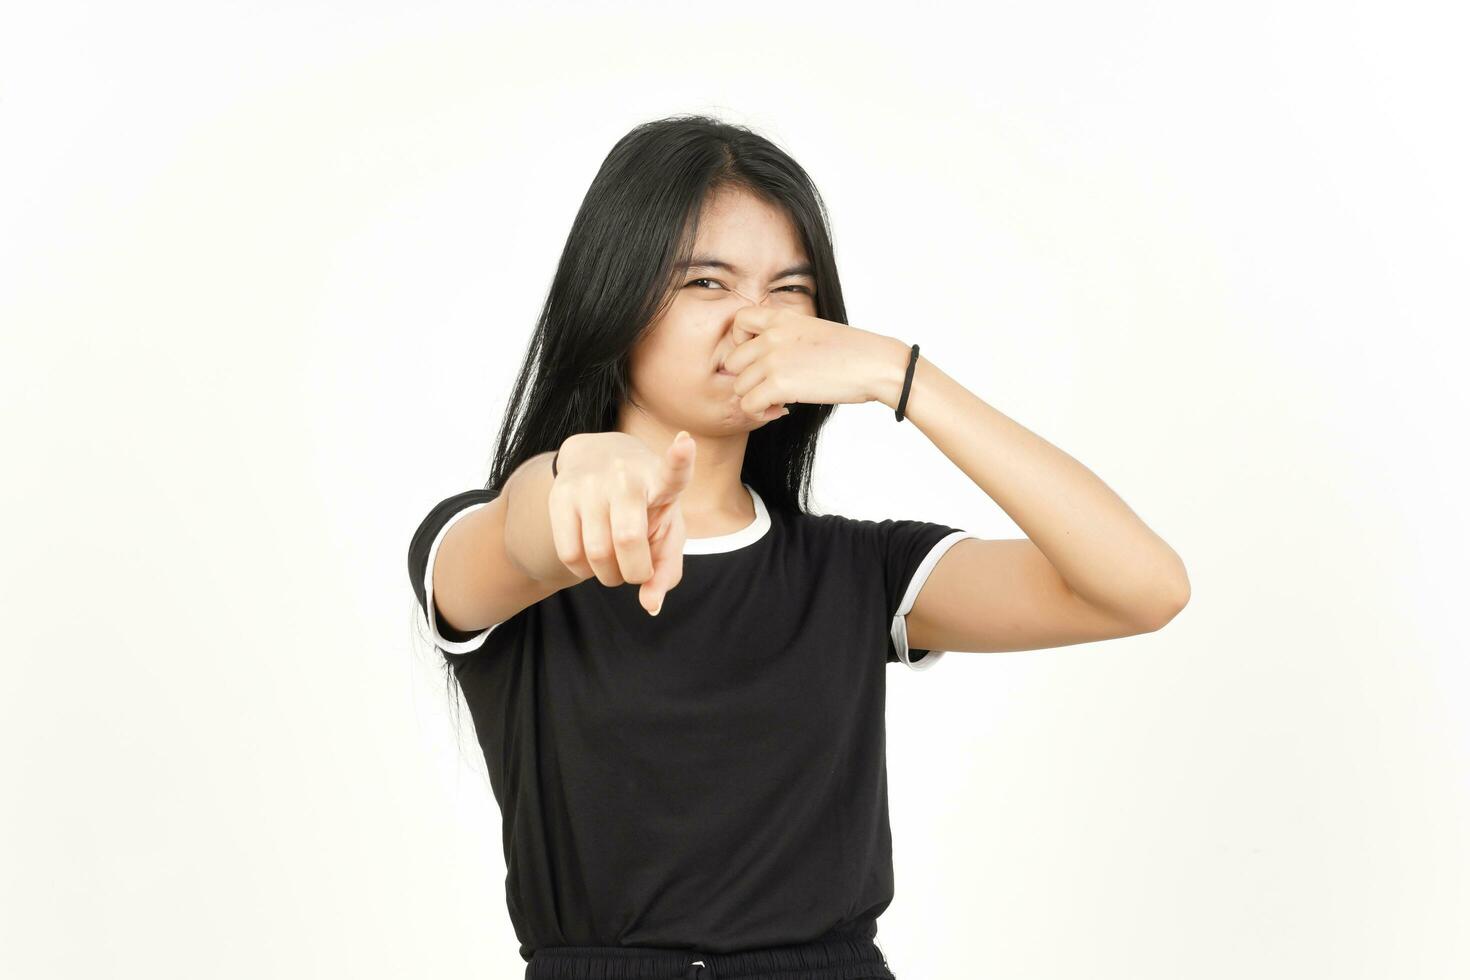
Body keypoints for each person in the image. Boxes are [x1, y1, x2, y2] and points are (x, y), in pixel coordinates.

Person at [407, 114, 1190, 980]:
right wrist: (573, 472)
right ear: (613, 296)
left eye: (789, 290)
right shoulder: (503, 544)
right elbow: (521, 537)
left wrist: (903, 376)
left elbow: (1141, 588)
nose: (755, 322)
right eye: (707, 282)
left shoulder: (857, 574)